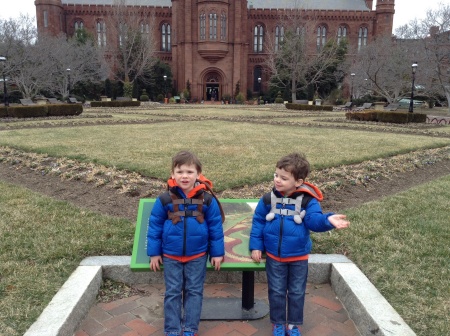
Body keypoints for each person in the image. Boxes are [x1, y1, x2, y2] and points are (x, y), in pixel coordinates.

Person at [249, 152, 350, 336]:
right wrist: (256, 245)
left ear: (298, 181)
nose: (277, 180)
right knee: (277, 291)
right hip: (274, 256)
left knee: (296, 292)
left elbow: (314, 221)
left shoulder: (307, 201)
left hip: (298, 257)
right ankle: (278, 323)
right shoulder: (268, 199)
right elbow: (258, 221)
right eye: (276, 175)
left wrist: (328, 220)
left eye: (283, 178)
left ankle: (293, 324)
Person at [147, 150, 225, 336]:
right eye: (180, 171)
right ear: (172, 174)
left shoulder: (206, 199)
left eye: (190, 172)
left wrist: (216, 252)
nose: (184, 176)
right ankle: (172, 329)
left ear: (198, 174)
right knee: (173, 292)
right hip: (171, 255)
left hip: (197, 255)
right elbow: (155, 226)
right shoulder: (165, 199)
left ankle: (190, 328)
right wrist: (154, 252)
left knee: (194, 291)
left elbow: (215, 227)